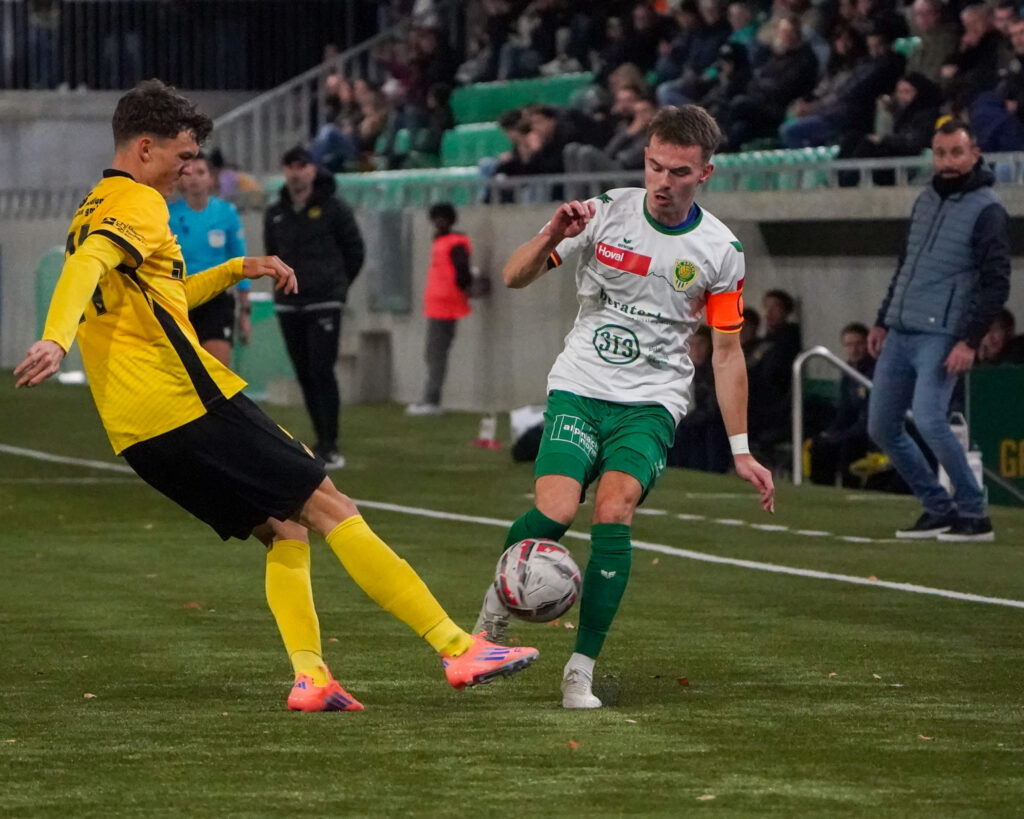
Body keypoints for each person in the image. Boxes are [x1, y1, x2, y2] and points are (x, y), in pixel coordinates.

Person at [14, 79, 538, 712]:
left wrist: (241, 268)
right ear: (145, 147)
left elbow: (161, 296)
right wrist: (55, 338)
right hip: (189, 403)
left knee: (285, 529)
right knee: (332, 505)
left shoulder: (94, 205)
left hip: (136, 431)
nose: (189, 169)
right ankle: (458, 647)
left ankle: (312, 678)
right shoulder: (139, 201)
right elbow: (84, 268)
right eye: (183, 156)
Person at [472, 105, 775, 709]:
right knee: (556, 509)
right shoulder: (603, 213)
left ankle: (579, 671)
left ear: (705, 174)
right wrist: (553, 234)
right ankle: (490, 621)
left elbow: (726, 353)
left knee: (614, 509)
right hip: (581, 387)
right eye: (655, 166)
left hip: (651, 403)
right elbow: (512, 276)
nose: (663, 182)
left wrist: (741, 450)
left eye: (679, 172)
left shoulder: (720, 251)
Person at [867, 119, 1010, 542]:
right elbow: (906, 266)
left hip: (943, 334)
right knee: (882, 427)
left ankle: (974, 513)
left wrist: (970, 340)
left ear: (974, 154)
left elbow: (997, 283)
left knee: (930, 419)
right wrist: (882, 319)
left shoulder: (988, 209)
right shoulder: (925, 200)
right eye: (941, 153)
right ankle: (937, 507)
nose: (947, 161)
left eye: (956, 153)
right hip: (901, 329)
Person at [264, 146, 365, 470]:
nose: (296, 173)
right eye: (290, 166)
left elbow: (355, 250)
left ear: (312, 170)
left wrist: (337, 286)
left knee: (322, 370)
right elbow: (272, 254)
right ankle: (320, 441)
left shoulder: (334, 209)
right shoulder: (275, 213)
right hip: (289, 304)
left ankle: (330, 442)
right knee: (305, 373)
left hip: (324, 301)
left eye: (302, 166)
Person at [168, 152, 250, 367]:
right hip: (180, 298)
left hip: (216, 299)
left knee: (217, 371)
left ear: (211, 178)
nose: (194, 178)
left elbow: (240, 259)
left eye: (201, 172)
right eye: (189, 173)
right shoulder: (168, 214)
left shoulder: (226, 212)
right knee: (185, 373)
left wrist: (245, 311)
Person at [406, 203, 473, 416]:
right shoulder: (441, 241)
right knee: (432, 354)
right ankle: (429, 398)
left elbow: (463, 272)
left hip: (446, 306)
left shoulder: (454, 242)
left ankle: (431, 400)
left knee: (436, 355)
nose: (439, 222)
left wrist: (462, 288)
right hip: (437, 306)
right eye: (436, 218)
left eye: (443, 218)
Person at [808, 322, 876, 486]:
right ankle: (822, 490)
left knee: (848, 445)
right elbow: (845, 412)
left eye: (859, 344)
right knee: (820, 444)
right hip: (854, 430)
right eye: (849, 345)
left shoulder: (876, 372)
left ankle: (850, 488)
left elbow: (870, 417)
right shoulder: (848, 373)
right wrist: (830, 433)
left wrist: (841, 436)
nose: (854, 349)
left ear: (868, 344)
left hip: (871, 432)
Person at [746, 289, 802, 463]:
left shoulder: (788, 341)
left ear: (786, 311)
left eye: (775, 307)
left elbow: (773, 377)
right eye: (766, 307)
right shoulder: (764, 342)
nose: (769, 312)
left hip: (772, 408)